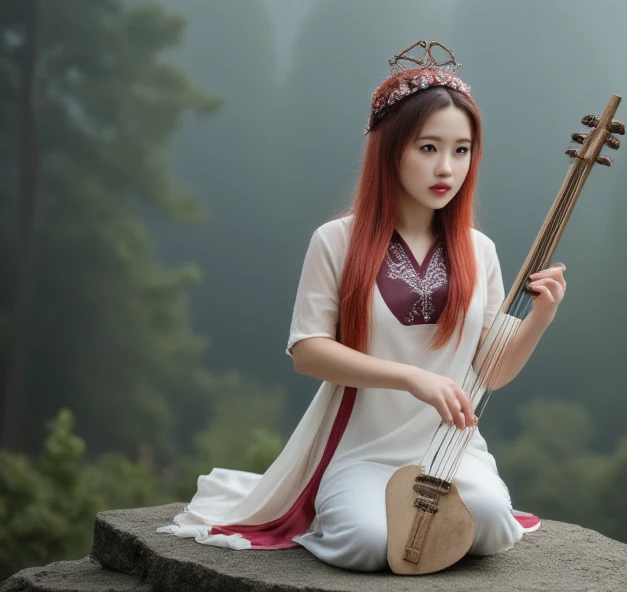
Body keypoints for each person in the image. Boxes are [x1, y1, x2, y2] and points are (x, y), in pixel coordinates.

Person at [158, 40, 567, 573]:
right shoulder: (336, 241)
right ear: (389, 149)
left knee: (492, 526)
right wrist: (410, 377)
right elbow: (307, 352)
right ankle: (340, 501)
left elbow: (489, 373)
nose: (447, 167)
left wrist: (538, 318)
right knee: (366, 544)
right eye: (428, 148)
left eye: (461, 150)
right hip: (361, 450)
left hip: (450, 449)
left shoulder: (478, 249)